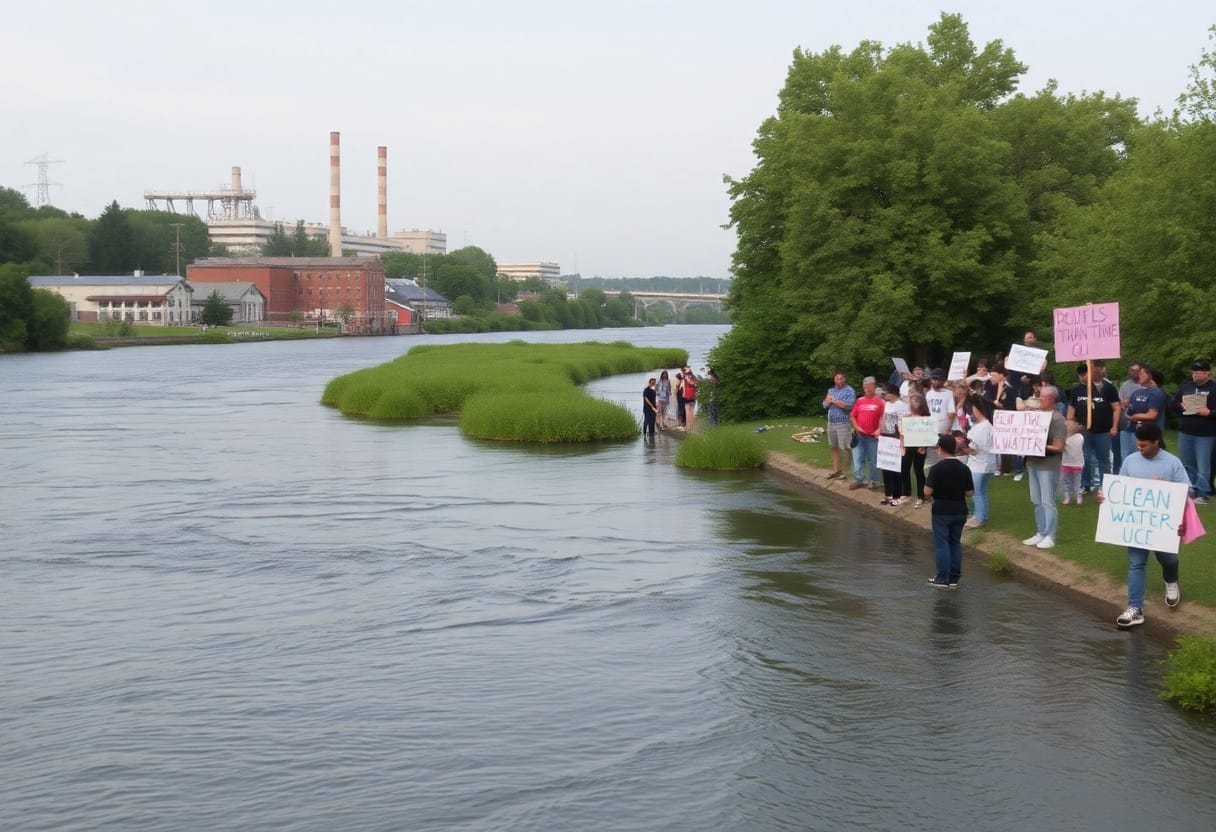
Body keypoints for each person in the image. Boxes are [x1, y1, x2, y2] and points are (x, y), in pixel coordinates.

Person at [1097, 423, 1191, 628]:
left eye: (1144, 445)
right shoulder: (1130, 461)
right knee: (1136, 564)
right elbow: (1119, 487)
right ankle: (1135, 608)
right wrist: (1105, 495)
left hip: (1163, 525)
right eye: (1138, 444)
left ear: (1156, 442)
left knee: (1169, 560)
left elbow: (1187, 490)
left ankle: (1171, 581)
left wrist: (1166, 486)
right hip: (1136, 525)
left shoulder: (1172, 462)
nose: (1140, 448)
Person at [1022, 385, 1068, 550]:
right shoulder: (1035, 416)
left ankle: (1050, 535)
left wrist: (1038, 444)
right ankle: (1041, 532)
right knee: (1037, 500)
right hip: (1033, 463)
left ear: (1051, 399)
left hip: (1048, 465)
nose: (1039, 399)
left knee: (1048, 501)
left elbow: (1059, 447)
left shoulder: (1057, 419)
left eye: (1042, 397)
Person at [924, 435, 974, 587]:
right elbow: (969, 493)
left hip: (942, 511)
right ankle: (953, 578)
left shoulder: (936, 469)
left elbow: (927, 491)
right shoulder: (964, 468)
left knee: (942, 544)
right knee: (955, 542)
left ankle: (942, 578)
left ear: (940, 449)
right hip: (960, 510)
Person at [1067, 363, 1121, 495]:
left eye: (1085, 374)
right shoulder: (1077, 389)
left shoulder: (1107, 388)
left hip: (1103, 431)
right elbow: (1072, 406)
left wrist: (1114, 426)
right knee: (1083, 458)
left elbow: (1116, 408)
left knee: (1103, 459)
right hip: (1083, 431)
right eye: (1080, 375)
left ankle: (1104, 485)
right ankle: (1085, 484)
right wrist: (1069, 422)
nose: (1082, 377)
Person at [1173, 359, 1216, 505]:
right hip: (1186, 431)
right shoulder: (1186, 387)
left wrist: (1209, 413)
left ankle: (1203, 492)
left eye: (1199, 372)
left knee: (1203, 465)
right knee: (1187, 463)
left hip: (1206, 433)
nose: (1196, 375)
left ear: (1207, 373)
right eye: (1194, 372)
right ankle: (1190, 490)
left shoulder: (1213, 388)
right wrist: (1181, 406)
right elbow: (1173, 404)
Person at [963, 395, 996, 528]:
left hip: (980, 464)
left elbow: (975, 448)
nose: (970, 413)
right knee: (981, 491)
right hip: (984, 463)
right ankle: (982, 515)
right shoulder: (984, 425)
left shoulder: (984, 427)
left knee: (977, 492)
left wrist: (963, 448)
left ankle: (979, 517)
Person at [1121, 364, 1165, 461]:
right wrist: (1124, 406)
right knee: (1126, 459)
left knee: (1139, 459)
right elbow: (1129, 411)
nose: (1138, 376)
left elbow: (1152, 415)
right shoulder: (1136, 392)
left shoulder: (1156, 393)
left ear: (1150, 376)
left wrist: (1137, 416)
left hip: (1145, 433)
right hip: (1129, 430)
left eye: (1141, 374)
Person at [849, 377, 885, 490]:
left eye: (870, 386)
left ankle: (874, 481)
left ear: (874, 387)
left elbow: (884, 418)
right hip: (859, 435)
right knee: (857, 458)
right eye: (866, 386)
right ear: (863, 388)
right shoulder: (859, 401)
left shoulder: (881, 402)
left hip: (873, 436)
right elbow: (852, 416)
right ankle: (860, 479)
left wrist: (879, 429)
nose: (868, 388)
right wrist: (857, 427)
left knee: (873, 460)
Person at [823, 371, 856, 479]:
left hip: (844, 423)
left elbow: (849, 405)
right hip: (831, 422)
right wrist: (828, 401)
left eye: (841, 379)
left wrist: (834, 401)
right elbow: (824, 405)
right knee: (834, 446)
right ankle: (835, 470)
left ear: (844, 379)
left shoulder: (849, 390)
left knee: (844, 447)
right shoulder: (831, 390)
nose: (839, 381)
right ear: (834, 379)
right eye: (837, 379)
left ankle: (845, 472)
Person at [879, 385, 908, 506]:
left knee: (895, 468)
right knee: (886, 466)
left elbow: (903, 422)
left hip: (896, 438)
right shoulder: (886, 404)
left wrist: (902, 439)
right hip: (886, 437)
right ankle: (888, 494)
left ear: (893, 393)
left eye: (887, 393)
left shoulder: (901, 406)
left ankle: (897, 495)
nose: (885, 395)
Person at [1115, 361, 1144, 473]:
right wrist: (1122, 403)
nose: (1134, 373)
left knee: (1138, 454)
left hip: (1140, 425)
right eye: (1131, 371)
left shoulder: (1144, 385)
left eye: (1136, 371)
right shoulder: (1125, 385)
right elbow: (1119, 402)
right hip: (1125, 424)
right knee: (1125, 455)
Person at [902, 393, 931, 508]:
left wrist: (924, 446)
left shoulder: (926, 418)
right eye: (912, 402)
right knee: (904, 469)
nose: (913, 404)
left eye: (916, 402)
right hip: (907, 446)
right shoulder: (907, 417)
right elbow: (902, 432)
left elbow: (929, 435)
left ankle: (921, 496)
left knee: (918, 471)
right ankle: (906, 493)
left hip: (919, 448)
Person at [1060, 420, 1085, 505]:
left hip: (1077, 463)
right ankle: (1067, 496)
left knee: (1077, 481)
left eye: (1068, 426)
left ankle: (1078, 495)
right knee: (1065, 480)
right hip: (1066, 463)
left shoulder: (1079, 437)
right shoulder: (1063, 437)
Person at [682, 367, 699, 431]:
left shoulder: (686, 378)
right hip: (693, 397)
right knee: (691, 412)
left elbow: (688, 382)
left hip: (688, 397)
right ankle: (691, 427)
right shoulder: (694, 378)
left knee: (688, 412)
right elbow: (696, 386)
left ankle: (688, 427)